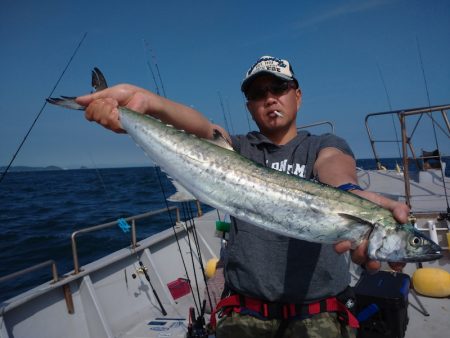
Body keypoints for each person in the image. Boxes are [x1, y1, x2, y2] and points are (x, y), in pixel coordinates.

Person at [76, 55, 409, 338]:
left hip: (319, 313)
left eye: (279, 88)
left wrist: (349, 194)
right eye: (256, 92)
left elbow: (336, 167)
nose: (269, 98)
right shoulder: (238, 148)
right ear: (249, 105)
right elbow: (203, 130)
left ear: (298, 95)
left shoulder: (320, 145)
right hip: (245, 309)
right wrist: (146, 103)